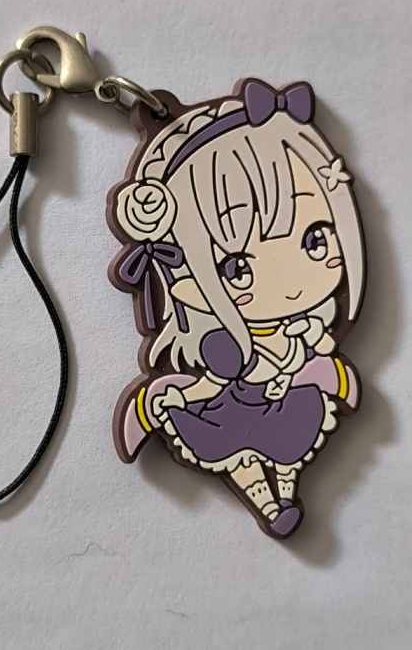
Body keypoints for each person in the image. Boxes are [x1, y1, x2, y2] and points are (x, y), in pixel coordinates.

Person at [109, 79, 365, 539]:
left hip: (290, 398)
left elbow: (318, 353)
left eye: (315, 239)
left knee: (291, 440)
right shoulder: (222, 344)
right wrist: (179, 396)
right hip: (235, 406)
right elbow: (212, 381)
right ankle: (269, 505)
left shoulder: (307, 327)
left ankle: (285, 495)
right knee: (241, 451)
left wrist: (311, 362)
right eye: (238, 266)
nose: (291, 279)